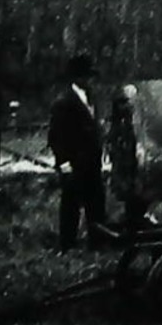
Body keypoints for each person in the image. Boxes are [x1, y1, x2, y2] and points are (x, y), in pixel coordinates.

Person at [48, 53, 109, 250]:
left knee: (96, 203)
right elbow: (56, 136)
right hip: (74, 163)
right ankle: (67, 245)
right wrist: (63, 163)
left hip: (92, 162)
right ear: (76, 78)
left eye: (91, 77)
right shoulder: (63, 102)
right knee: (71, 205)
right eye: (87, 76)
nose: (90, 81)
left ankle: (98, 241)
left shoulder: (90, 98)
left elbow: (93, 128)